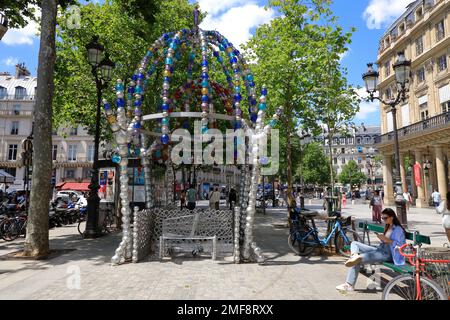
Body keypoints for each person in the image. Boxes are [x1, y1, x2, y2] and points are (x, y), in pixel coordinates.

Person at [336, 208, 406, 292]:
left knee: (357, 260)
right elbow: (386, 241)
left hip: (388, 254)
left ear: (392, 217)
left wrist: (387, 240)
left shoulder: (398, 229)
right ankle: (354, 255)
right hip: (380, 249)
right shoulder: (388, 226)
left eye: (385, 218)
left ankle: (349, 285)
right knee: (354, 243)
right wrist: (382, 239)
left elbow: (401, 245)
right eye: (382, 218)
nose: (383, 220)